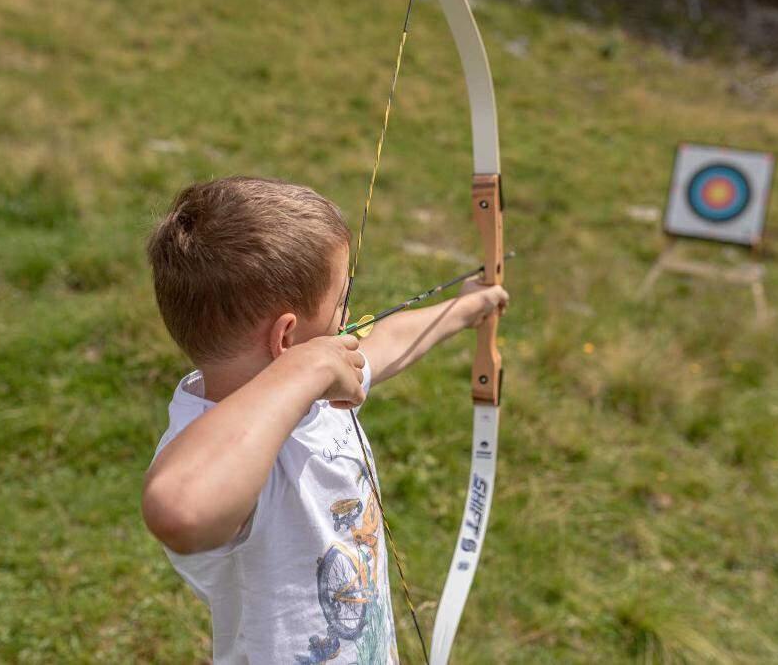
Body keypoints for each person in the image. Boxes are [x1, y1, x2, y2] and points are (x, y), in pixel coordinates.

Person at [142, 176, 508, 664]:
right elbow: (179, 511)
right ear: (287, 340)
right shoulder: (221, 446)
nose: (350, 313)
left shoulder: (308, 393)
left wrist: (467, 307)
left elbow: (387, 344)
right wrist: (305, 369)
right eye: (341, 301)